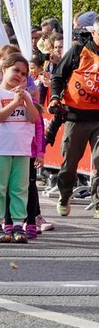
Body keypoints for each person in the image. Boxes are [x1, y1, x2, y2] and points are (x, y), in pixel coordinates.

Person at [0, 53, 39, 243]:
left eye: (24, 74)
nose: (20, 76)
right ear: (4, 69)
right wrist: (15, 102)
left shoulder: (24, 95)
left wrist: (25, 99)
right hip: (0, 149)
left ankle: (18, 225)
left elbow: (33, 118)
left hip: (22, 150)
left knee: (19, 189)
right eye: (16, 70)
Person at [50, 21, 99, 218]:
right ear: (94, 32)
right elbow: (57, 76)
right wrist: (54, 97)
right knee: (69, 164)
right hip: (75, 116)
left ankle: (98, 203)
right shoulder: (78, 50)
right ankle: (64, 195)